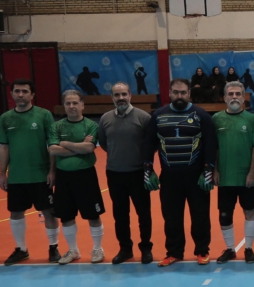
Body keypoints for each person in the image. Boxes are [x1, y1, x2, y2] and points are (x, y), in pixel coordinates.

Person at [144, 78, 216, 266]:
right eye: (176, 92)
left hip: (196, 177)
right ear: (169, 93)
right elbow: (149, 144)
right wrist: (148, 169)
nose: (179, 96)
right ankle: (174, 252)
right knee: (171, 218)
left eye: (183, 92)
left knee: (200, 217)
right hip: (169, 177)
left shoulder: (202, 116)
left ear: (189, 93)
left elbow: (210, 145)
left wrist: (208, 170)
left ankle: (202, 250)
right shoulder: (158, 116)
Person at [0, 79, 61, 265]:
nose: (20, 94)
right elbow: (4, 147)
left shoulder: (44, 115)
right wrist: (2, 173)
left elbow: (52, 145)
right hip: (17, 177)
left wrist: (52, 171)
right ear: (11, 94)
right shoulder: (5, 118)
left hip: (41, 175)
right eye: (17, 91)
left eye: (25, 91)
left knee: (48, 211)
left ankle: (53, 247)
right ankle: (21, 249)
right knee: (16, 212)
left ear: (32, 94)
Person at [48, 90, 106, 264]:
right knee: (66, 216)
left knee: (93, 215)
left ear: (82, 105)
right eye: (68, 103)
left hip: (86, 175)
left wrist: (65, 143)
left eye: (75, 103)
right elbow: (53, 149)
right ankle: (73, 250)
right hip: (63, 177)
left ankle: (97, 249)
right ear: (64, 106)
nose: (71, 106)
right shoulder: (56, 126)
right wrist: (79, 147)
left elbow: (89, 148)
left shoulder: (91, 125)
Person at [98, 82, 153, 264]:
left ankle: (146, 248)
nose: (120, 98)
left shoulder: (144, 117)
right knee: (120, 216)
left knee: (143, 214)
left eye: (123, 94)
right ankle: (125, 249)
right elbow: (104, 143)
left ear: (130, 95)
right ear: (112, 97)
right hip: (114, 174)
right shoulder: (105, 119)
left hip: (138, 173)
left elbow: (150, 144)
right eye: (117, 95)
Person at [213, 81, 254, 264]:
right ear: (224, 97)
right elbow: (213, 148)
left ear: (244, 98)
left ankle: (248, 248)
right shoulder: (216, 119)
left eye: (238, 94)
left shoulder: (251, 119)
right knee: (225, 214)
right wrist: (215, 170)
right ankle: (230, 249)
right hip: (225, 177)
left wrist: (252, 172)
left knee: (250, 211)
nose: (234, 97)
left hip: (246, 177)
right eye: (231, 94)